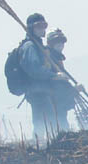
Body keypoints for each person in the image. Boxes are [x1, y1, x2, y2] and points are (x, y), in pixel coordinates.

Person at [18, 13, 63, 141]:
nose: (42, 29)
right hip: (36, 91)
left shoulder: (38, 46)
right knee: (45, 119)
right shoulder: (30, 47)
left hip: (42, 90)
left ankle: (40, 143)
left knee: (43, 119)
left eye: (44, 26)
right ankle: (39, 144)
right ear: (31, 28)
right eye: (38, 26)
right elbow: (34, 69)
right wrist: (53, 75)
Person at [46, 28, 86, 131]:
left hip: (59, 108)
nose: (60, 45)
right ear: (51, 44)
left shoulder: (56, 59)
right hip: (55, 107)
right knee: (60, 127)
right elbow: (58, 92)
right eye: (56, 42)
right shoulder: (49, 60)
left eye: (62, 42)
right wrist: (74, 90)